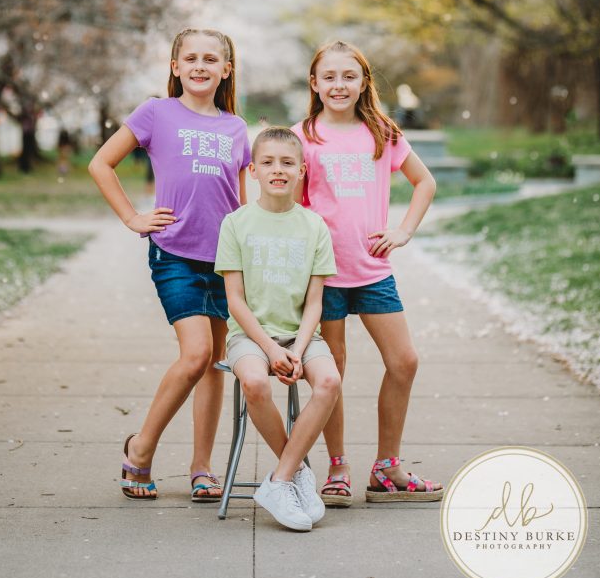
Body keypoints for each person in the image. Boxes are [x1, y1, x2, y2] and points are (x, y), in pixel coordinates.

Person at [88, 28, 251, 502]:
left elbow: (240, 203)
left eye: (211, 59)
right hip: (175, 255)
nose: (201, 66)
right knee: (196, 353)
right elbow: (102, 164)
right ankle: (140, 449)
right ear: (176, 67)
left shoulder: (235, 128)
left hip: (225, 263)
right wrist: (132, 217)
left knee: (215, 364)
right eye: (191, 58)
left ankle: (202, 468)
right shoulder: (156, 113)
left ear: (226, 69)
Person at [291, 40, 443, 506]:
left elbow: (425, 183)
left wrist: (403, 230)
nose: (339, 85)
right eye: (329, 77)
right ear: (315, 84)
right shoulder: (302, 137)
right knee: (331, 372)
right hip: (325, 276)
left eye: (349, 76)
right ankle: (337, 467)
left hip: (373, 270)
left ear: (363, 83)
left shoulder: (383, 132)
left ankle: (386, 467)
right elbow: (294, 206)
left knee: (404, 361)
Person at [215, 127, 341, 532]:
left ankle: (281, 479)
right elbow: (235, 300)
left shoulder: (314, 226)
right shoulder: (235, 224)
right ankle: (299, 473)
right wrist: (270, 349)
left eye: (287, 163)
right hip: (249, 336)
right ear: (253, 170)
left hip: (301, 334)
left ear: (302, 171)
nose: (278, 170)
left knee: (329, 382)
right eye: (268, 162)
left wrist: (299, 348)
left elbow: (315, 302)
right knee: (255, 382)